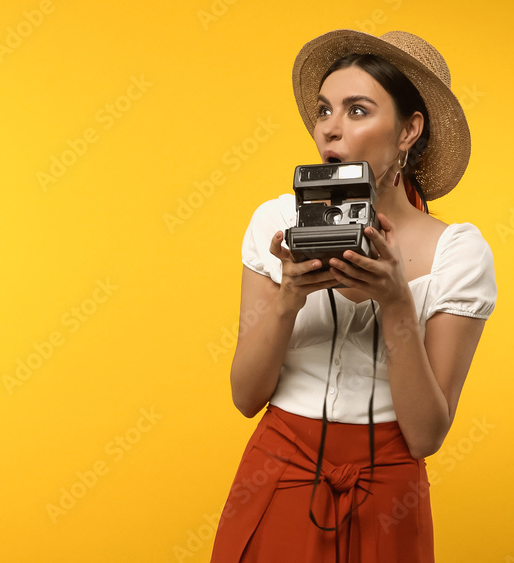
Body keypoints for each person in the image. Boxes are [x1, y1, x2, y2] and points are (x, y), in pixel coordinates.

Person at [210, 30, 497, 562]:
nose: (330, 127)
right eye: (324, 110)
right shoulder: (276, 223)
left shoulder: (458, 253)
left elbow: (426, 436)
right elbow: (246, 397)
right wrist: (288, 298)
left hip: (387, 491)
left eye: (357, 110)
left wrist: (396, 303)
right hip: (278, 476)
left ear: (409, 130)